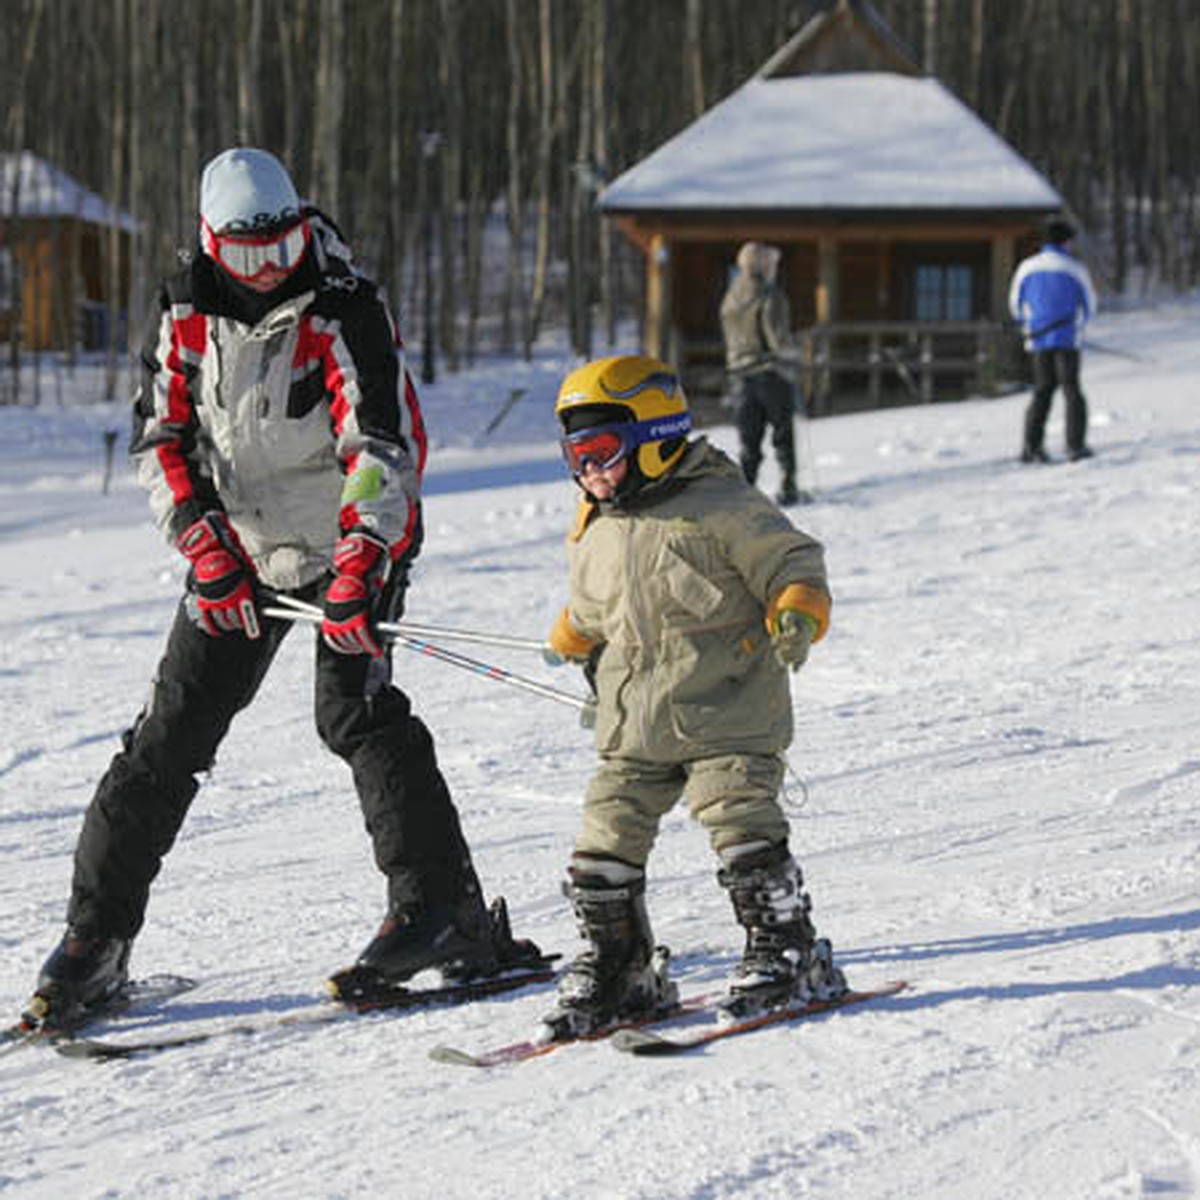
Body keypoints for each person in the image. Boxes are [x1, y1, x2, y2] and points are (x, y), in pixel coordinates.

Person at [28, 148, 535, 1027]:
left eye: (281, 245)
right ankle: (93, 941)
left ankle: (443, 916)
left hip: (353, 544)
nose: (266, 268)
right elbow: (164, 439)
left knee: (353, 714)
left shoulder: (343, 306)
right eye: (245, 252)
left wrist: (359, 565)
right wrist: (206, 548)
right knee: (168, 735)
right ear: (209, 241)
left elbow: (382, 448)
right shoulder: (187, 307)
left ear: (303, 226)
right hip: (243, 553)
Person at [539, 354, 846, 1039]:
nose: (588, 471)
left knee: (738, 821)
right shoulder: (598, 522)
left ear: (656, 438)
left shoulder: (722, 504)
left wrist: (797, 608)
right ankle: (621, 965)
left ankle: (786, 950)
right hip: (633, 723)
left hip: (727, 710)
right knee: (603, 838)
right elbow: (593, 608)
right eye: (575, 456)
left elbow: (792, 560)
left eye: (602, 452)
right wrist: (570, 637)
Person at [719, 240, 806, 505]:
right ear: (763, 265)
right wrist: (798, 351)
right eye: (772, 263)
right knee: (782, 433)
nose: (774, 269)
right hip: (771, 373)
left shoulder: (730, 297)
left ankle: (746, 493)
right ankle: (788, 487)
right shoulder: (771, 295)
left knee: (749, 442)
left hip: (739, 376)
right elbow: (778, 340)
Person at [1008, 215, 1098, 463]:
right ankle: (1075, 445)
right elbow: (1089, 305)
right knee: (1072, 390)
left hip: (1038, 340)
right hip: (1068, 339)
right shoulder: (1075, 269)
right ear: (1066, 241)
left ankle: (1031, 446)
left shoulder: (1027, 267)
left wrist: (1029, 325)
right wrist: (1078, 327)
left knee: (1042, 391)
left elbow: (1015, 304)